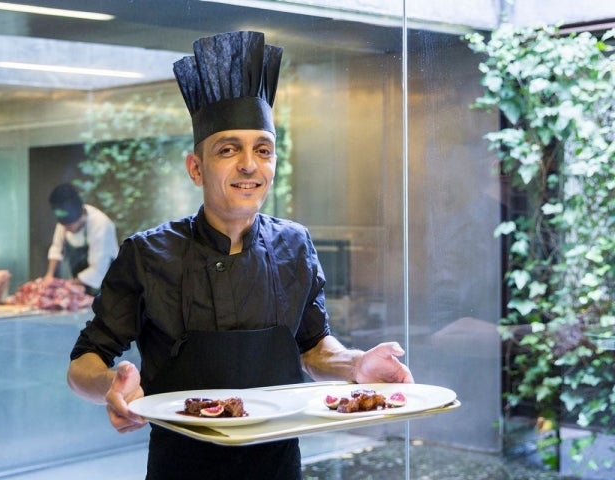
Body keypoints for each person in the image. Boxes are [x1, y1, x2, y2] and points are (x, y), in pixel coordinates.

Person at [66, 31, 413, 479]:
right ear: (196, 168)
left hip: (278, 467)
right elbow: (82, 363)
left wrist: (355, 364)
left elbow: (312, 346)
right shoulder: (148, 253)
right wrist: (111, 386)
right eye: (228, 150)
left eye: (262, 150)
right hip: (181, 470)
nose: (249, 165)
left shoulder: (295, 245)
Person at [44, 182, 118, 296]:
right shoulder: (63, 224)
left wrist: (66, 285)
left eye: (70, 225)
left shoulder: (100, 224)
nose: (67, 229)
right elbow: (56, 248)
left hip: (108, 286)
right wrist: (49, 276)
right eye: (64, 225)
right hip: (81, 288)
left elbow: (98, 270)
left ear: (81, 215)